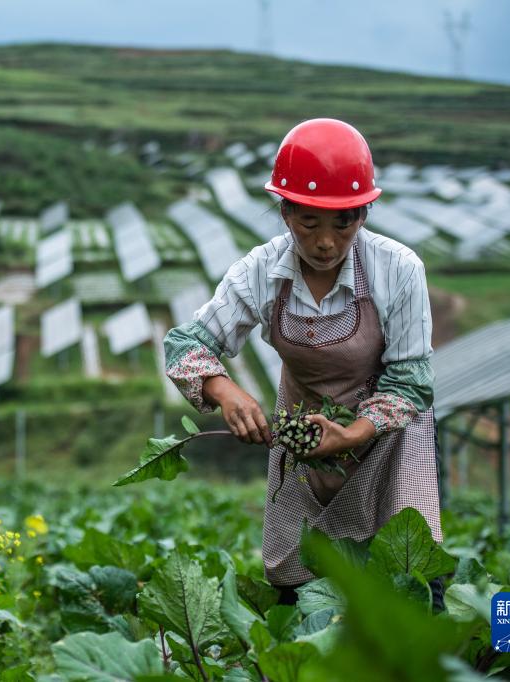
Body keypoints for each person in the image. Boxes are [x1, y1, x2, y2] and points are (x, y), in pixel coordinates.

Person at [164, 118, 446, 611]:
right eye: (309, 223)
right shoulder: (260, 271)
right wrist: (225, 391)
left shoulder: (398, 268)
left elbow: (410, 382)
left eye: (344, 224)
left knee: (408, 582)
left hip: (389, 442)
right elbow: (186, 343)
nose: (325, 242)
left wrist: (354, 433)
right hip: (303, 442)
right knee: (299, 591)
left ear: (364, 213)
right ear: (285, 210)